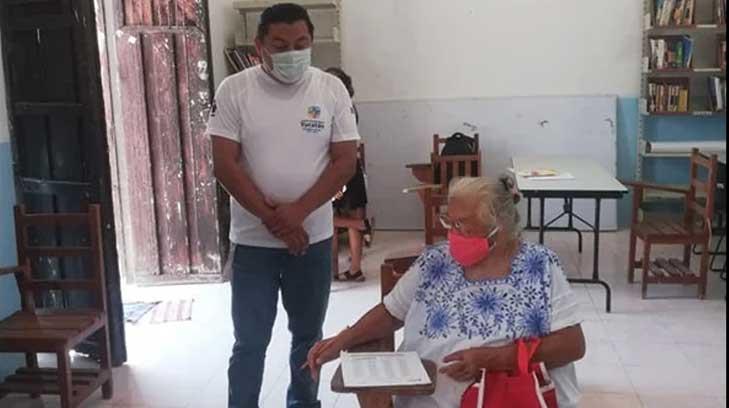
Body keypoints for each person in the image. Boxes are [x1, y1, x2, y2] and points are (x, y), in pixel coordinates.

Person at [306, 176, 585, 408]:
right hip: (427, 400)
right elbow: (391, 313)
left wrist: (495, 359)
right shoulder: (436, 260)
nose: (451, 233)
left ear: (498, 229)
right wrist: (343, 339)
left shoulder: (539, 265)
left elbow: (573, 344)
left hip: (513, 398)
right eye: (448, 222)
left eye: (461, 224)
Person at [206, 3, 359, 407]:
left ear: (311, 41)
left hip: (313, 240)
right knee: (249, 342)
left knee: (308, 337)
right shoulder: (235, 89)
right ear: (259, 47)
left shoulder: (330, 89)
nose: (292, 52)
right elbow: (225, 163)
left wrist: (297, 213)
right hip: (253, 243)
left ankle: (303, 404)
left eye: (301, 43)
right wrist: (276, 219)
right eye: (280, 45)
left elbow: (345, 161)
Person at [326, 67, 373, 282]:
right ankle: (348, 269)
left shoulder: (339, 108)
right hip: (346, 165)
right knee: (343, 218)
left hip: (337, 167)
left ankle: (342, 270)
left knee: (331, 219)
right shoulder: (346, 107)